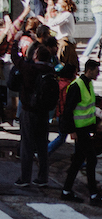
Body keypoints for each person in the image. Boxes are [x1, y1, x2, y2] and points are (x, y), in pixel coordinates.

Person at [14, 43, 56, 188]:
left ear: (36, 56)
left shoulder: (30, 69)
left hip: (29, 110)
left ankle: (25, 177)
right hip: (44, 112)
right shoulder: (51, 71)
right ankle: (42, 177)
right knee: (42, 145)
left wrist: (15, 43)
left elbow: (16, 60)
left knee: (27, 144)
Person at [60, 58, 100, 204]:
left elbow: (88, 105)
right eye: (97, 70)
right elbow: (68, 110)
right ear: (89, 70)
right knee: (91, 159)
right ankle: (93, 195)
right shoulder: (77, 86)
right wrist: (71, 130)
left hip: (84, 128)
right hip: (79, 129)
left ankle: (66, 191)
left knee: (78, 161)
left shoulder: (88, 84)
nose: (98, 73)